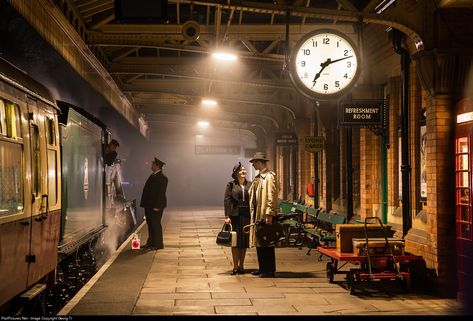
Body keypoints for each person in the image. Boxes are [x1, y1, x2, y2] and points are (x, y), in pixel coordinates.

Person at [248, 152, 279, 278]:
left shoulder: (269, 177)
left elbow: (272, 196)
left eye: (254, 162)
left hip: (265, 215)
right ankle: (262, 268)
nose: (253, 165)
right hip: (257, 215)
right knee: (259, 242)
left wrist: (270, 214)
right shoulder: (258, 178)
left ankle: (269, 270)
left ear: (259, 162)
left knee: (267, 242)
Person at [224, 162, 252, 275]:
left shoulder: (250, 184)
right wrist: (227, 216)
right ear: (236, 173)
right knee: (235, 242)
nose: (243, 171)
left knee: (243, 242)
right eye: (240, 170)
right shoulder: (230, 185)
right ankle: (235, 266)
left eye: (244, 169)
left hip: (246, 216)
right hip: (235, 216)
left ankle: (241, 265)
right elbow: (227, 200)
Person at [140, 157, 168, 250]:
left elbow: (161, 193)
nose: (151, 166)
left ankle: (157, 244)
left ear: (157, 166)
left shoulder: (162, 178)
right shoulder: (153, 175)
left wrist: (157, 206)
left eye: (153, 164)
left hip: (155, 205)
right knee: (150, 224)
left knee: (155, 224)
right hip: (149, 205)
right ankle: (150, 243)